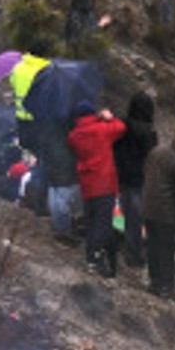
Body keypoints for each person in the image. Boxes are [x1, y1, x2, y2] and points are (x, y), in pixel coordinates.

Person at [69, 102, 128, 277]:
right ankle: (94, 257)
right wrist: (109, 118)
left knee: (92, 219)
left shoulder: (74, 135)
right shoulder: (101, 129)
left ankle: (92, 255)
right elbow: (121, 128)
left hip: (87, 181)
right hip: (104, 180)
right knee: (102, 222)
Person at [142, 120, 175, 299]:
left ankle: (154, 281)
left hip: (148, 204)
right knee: (167, 248)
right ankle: (167, 286)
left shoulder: (157, 151)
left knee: (152, 244)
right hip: (166, 210)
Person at [114, 91, 157, 272]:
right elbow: (151, 156)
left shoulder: (122, 125)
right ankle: (135, 253)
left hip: (123, 175)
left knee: (127, 213)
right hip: (140, 179)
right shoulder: (149, 132)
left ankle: (129, 249)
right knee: (136, 218)